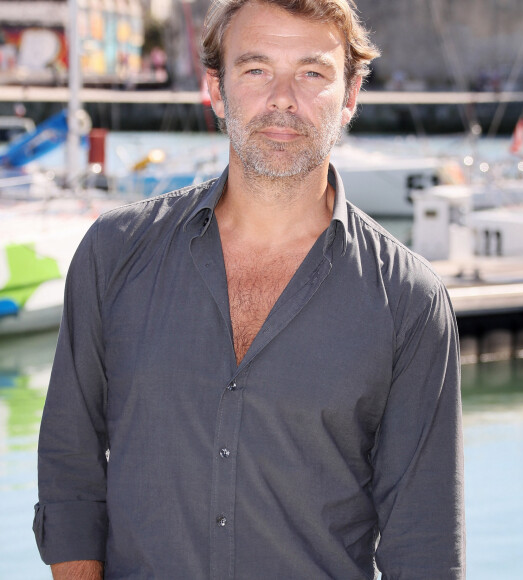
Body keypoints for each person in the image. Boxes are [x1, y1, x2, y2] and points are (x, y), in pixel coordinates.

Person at [34, 0, 465, 578]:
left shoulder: (409, 302)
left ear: (351, 96)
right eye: (256, 69)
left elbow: (426, 544)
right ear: (216, 88)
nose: (283, 98)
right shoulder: (114, 254)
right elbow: (71, 471)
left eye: (312, 73)